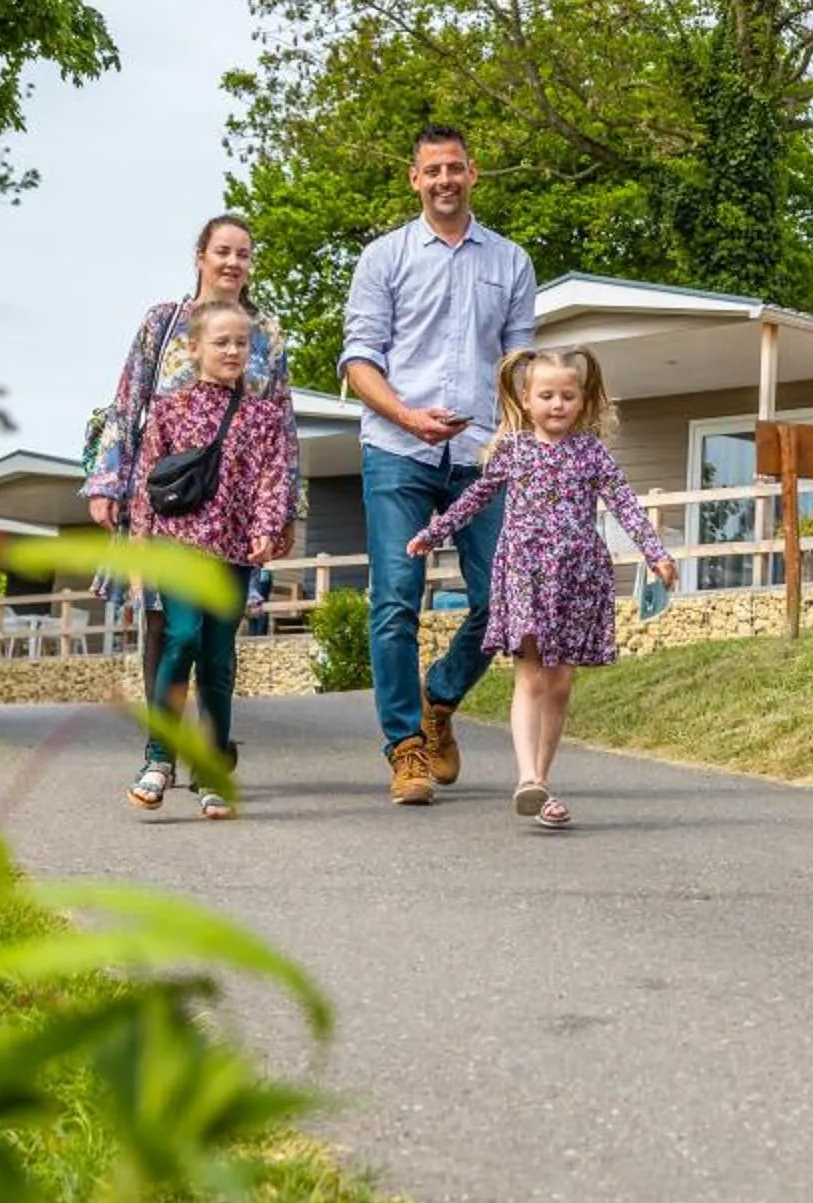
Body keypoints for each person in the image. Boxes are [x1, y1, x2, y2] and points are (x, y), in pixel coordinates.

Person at [340, 127, 539, 805]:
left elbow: (520, 366)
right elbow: (359, 359)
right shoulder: (384, 258)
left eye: (456, 168)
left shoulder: (510, 261)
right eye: (433, 170)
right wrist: (406, 416)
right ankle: (405, 749)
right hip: (398, 451)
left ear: (473, 174)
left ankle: (440, 699)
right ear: (414, 179)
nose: (445, 179)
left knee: (500, 600)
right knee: (395, 598)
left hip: (483, 457)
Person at [407, 347, 678, 833]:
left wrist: (655, 553)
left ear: (582, 401)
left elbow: (625, 503)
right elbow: (477, 497)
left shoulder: (591, 452)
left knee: (560, 682)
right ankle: (527, 777)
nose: (557, 404)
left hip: (577, 578)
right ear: (526, 400)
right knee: (531, 677)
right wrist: (434, 532)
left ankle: (542, 782)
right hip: (526, 575)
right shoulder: (513, 449)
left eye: (567, 396)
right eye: (546, 395)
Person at [83, 215, 304, 787]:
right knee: (164, 625)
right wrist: (110, 483)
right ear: (200, 256)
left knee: (214, 635)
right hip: (165, 502)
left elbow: (283, 427)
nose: (233, 263)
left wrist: (284, 511)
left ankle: (209, 741)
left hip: (233, 510)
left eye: (244, 254)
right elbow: (128, 400)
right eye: (223, 251)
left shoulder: (268, 335)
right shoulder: (163, 323)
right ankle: (163, 752)